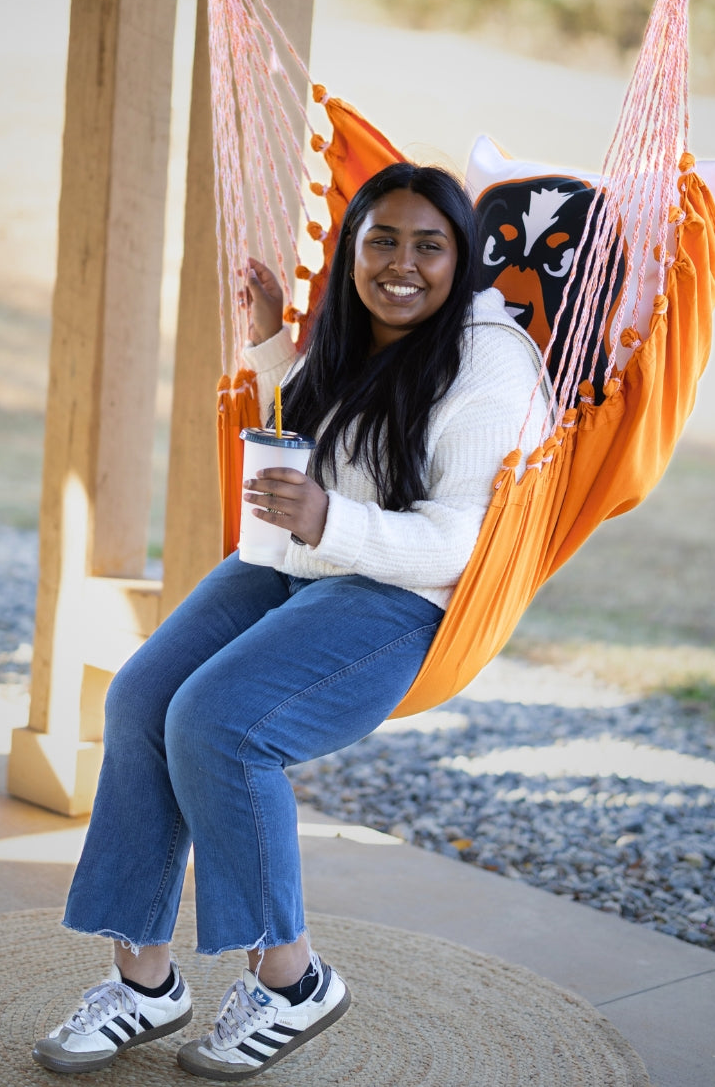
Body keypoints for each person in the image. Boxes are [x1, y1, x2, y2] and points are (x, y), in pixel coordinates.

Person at [32, 162, 548, 1081]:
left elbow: (458, 543)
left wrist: (329, 520)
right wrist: (274, 343)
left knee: (220, 725)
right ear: (353, 248)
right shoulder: (356, 327)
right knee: (144, 696)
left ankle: (291, 977)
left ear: (460, 257)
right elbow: (312, 426)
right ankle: (146, 984)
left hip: (397, 594)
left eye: (429, 245)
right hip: (293, 561)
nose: (402, 264)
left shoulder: (488, 362)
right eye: (380, 240)